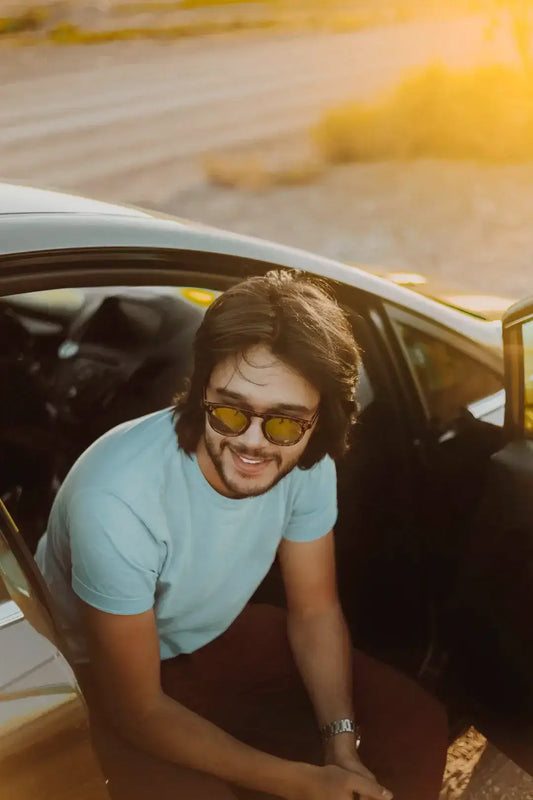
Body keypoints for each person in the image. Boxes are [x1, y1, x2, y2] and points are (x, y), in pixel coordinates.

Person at [36, 270, 448, 800]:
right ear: (201, 388)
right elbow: (136, 708)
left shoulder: (307, 460)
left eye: (283, 423)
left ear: (318, 418)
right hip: (99, 673)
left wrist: (340, 743)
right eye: (230, 411)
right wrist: (303, 782)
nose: (253, 444)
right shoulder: (115, 499)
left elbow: (315, 610)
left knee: (412, 725)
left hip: (210, 632)